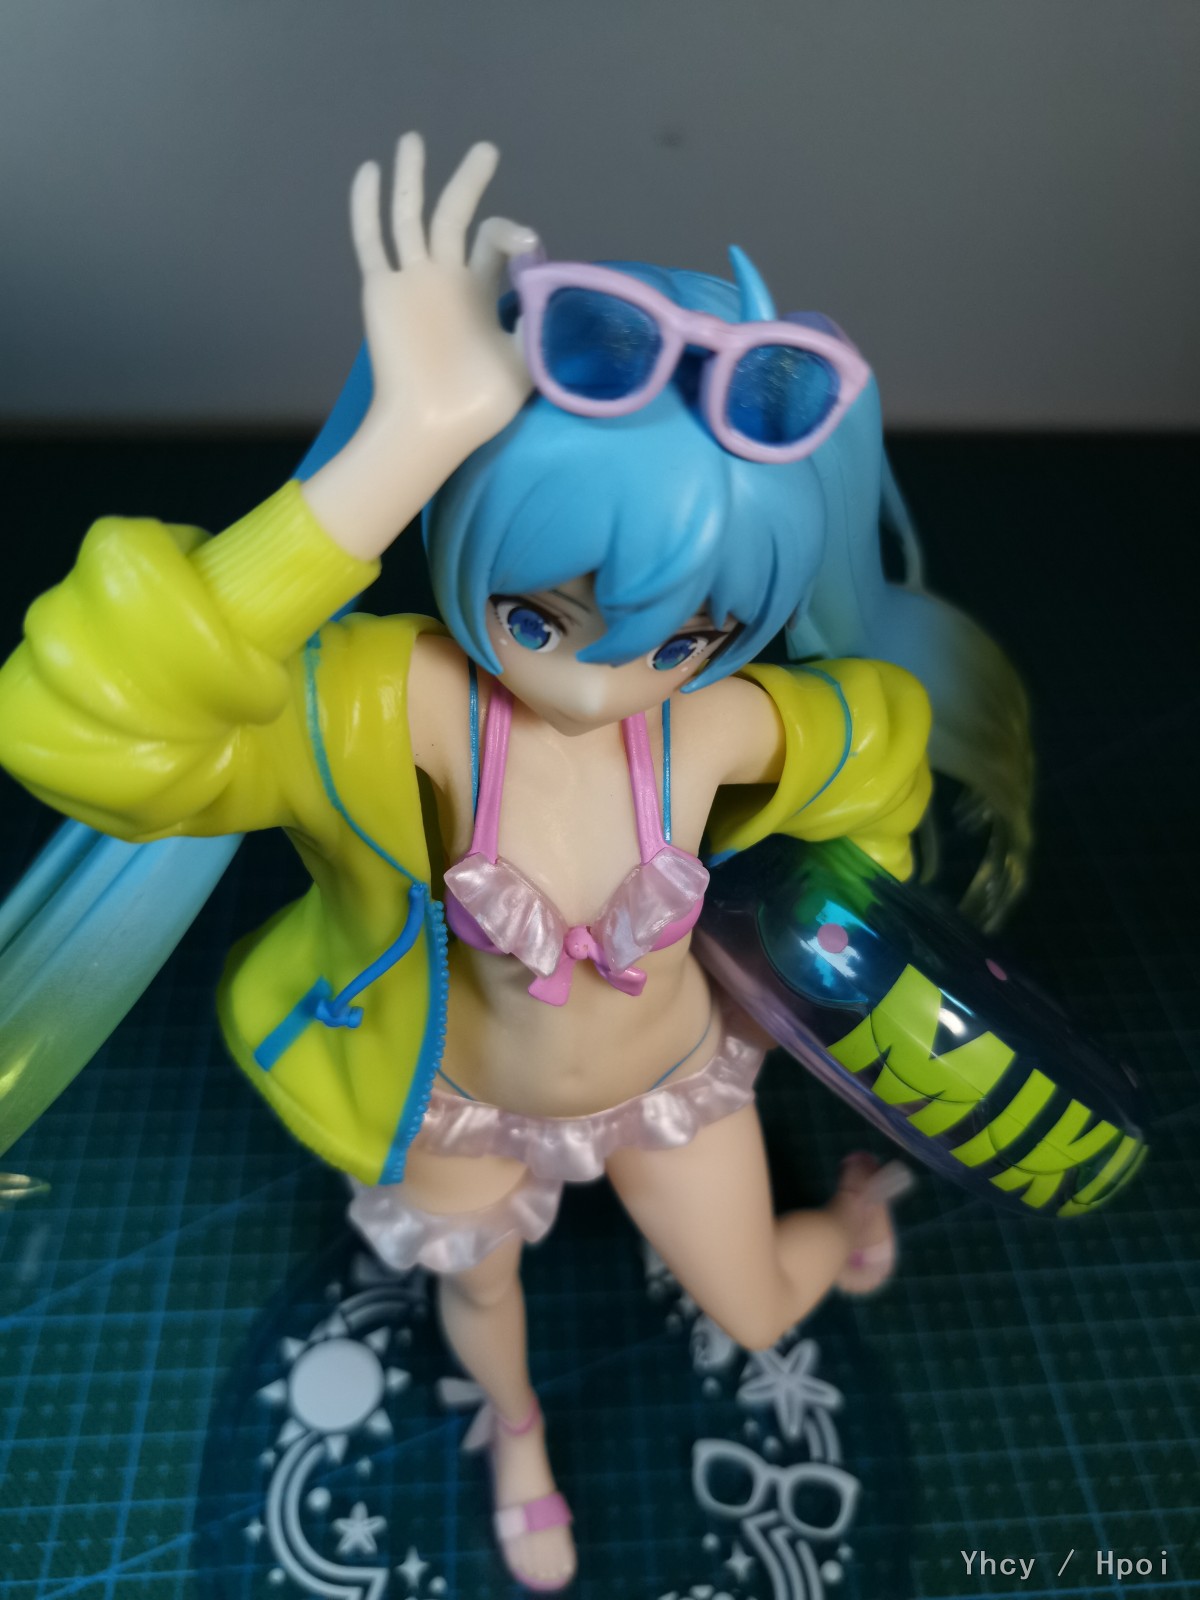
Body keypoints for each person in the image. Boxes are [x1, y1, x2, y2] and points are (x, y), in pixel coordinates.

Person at [0, 135, 1002, 1591]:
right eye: (541, 619)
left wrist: (826, 934)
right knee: (478, 1299)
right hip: (458, 1102)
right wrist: (396, 452)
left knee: (756, 1306)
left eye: (681, 641)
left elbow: (881, 756)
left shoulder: (720, 727)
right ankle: (516, 1436)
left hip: (673, 1088)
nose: (598, 683)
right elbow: (86, 725)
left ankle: (845, 1214)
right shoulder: (400, 702)